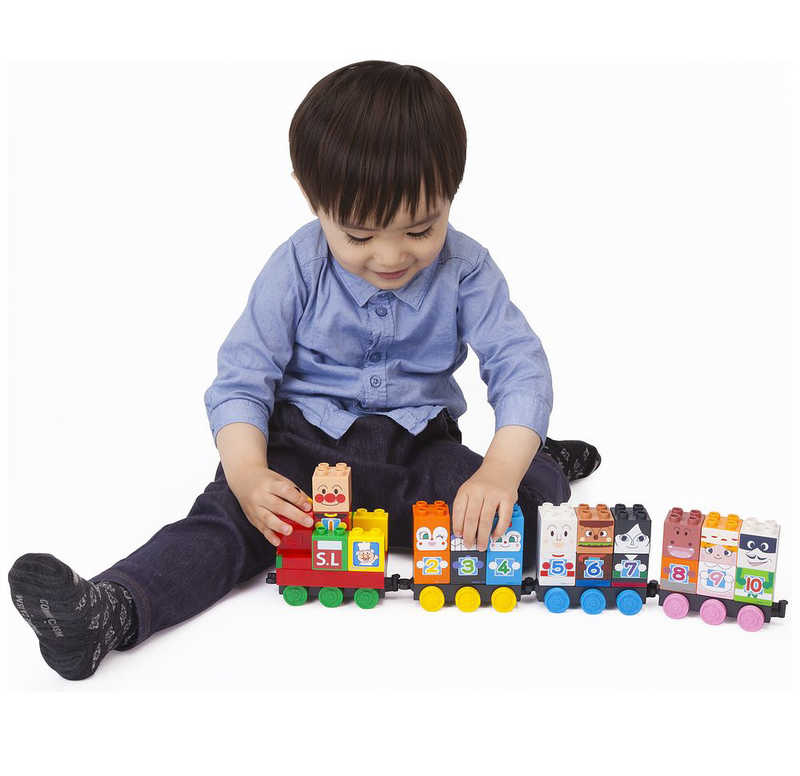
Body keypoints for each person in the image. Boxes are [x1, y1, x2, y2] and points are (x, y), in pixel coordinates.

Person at [9, 60, 600, 680]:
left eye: (421, 229)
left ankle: (537, 457)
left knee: (523, 519)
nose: (391, 256)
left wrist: (500, 470)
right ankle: (111, 612)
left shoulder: (468, 270)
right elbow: (243, 379)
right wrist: (247, 474)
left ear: (453, 190)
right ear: (311, 197)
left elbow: (519, 366)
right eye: (360, 235)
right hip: (301, 456)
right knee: (225, 524)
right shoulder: (296, 268)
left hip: (417, 452)